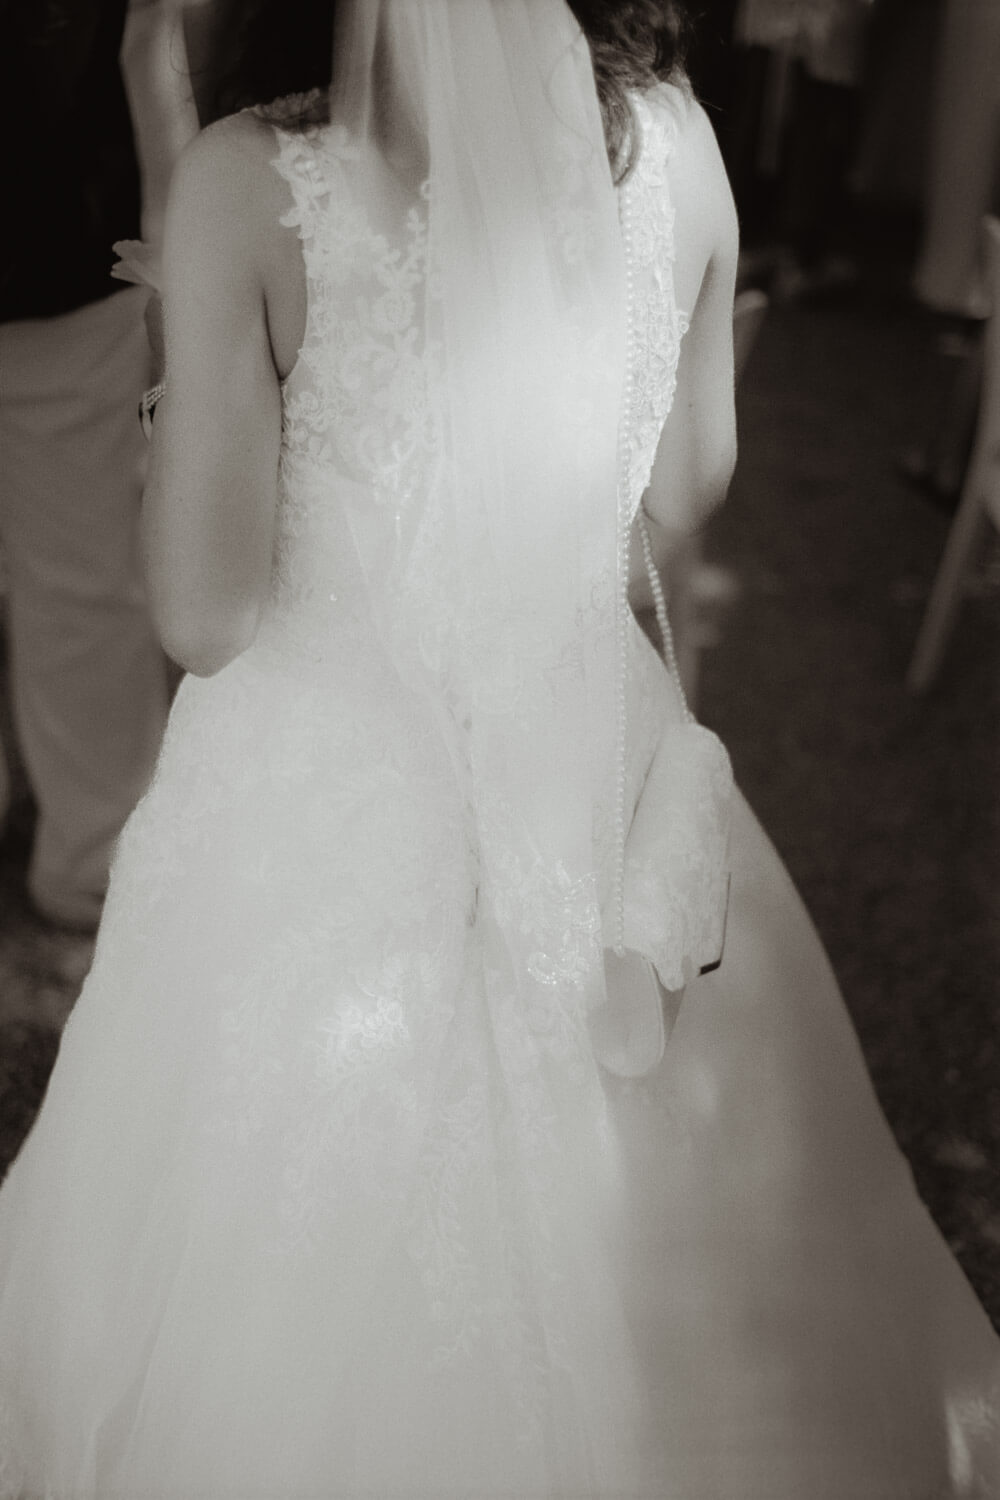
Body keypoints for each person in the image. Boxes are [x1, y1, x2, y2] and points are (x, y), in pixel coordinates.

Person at [0, 2, 998, 1496]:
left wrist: (186, 361)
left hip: (309, 795)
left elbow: (206, 610)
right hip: (583, 753)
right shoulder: (677, 142)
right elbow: (681, 496)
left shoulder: (243, 185)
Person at [0, 0, 170, 933]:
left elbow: (155, 33)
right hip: (64, 227)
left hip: (63, 241)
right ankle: (93, 851)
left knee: (81, 576)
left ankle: (94, 853)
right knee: (81, 581)